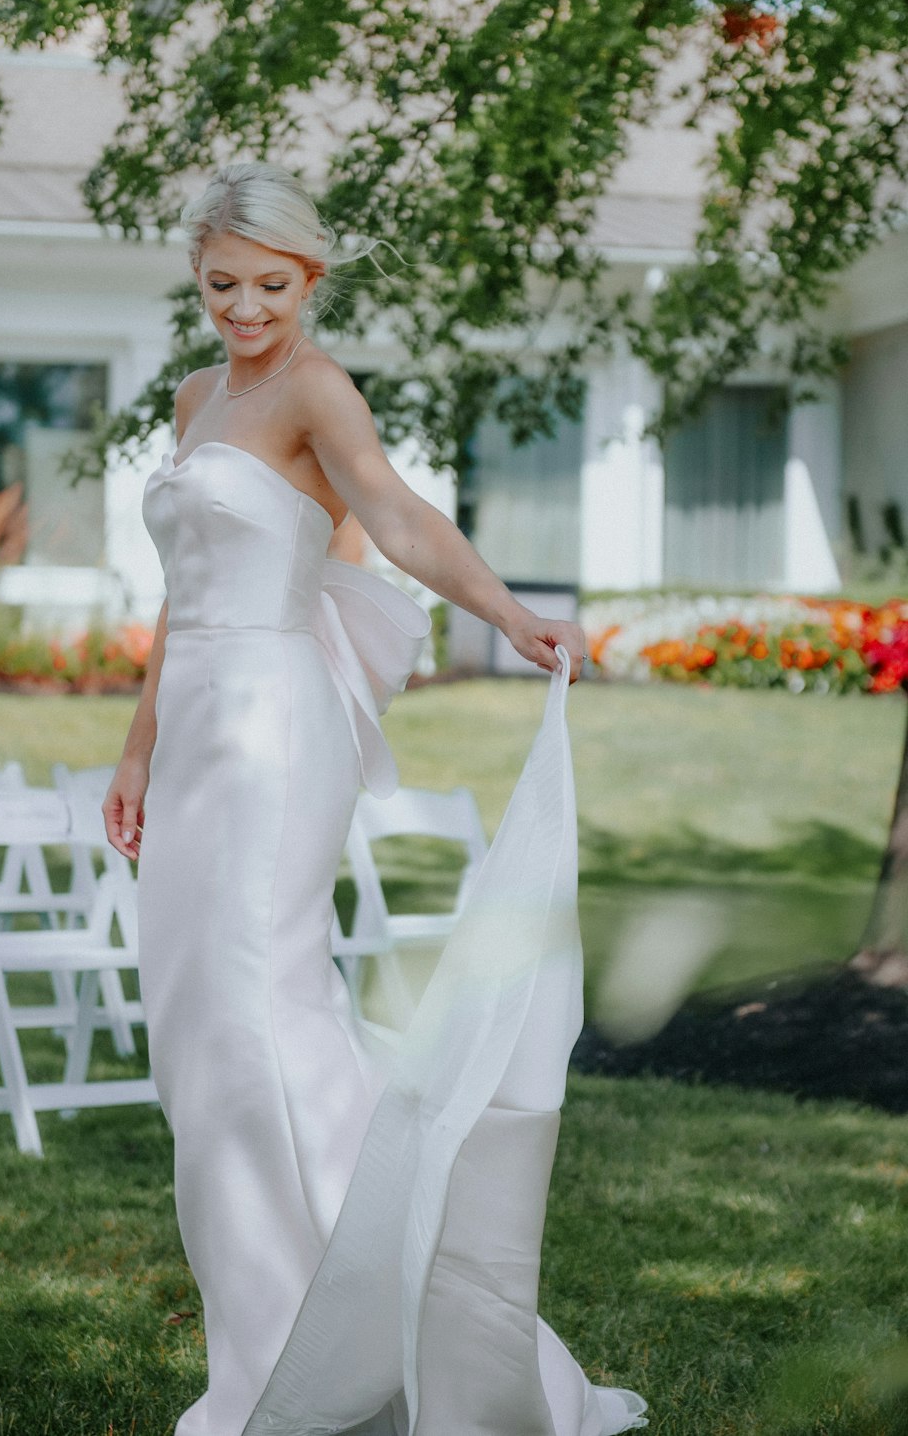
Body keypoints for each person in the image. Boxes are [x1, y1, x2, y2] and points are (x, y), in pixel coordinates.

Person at [103, 161, 647, 1436]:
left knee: (258, 1020)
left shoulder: (314, 389)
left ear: (313, 276)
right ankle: (281, 1338)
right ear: (199, 274)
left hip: (280, 736)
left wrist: (508, 613)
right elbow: (184, 599)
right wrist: (135, 750)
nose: (245, 308)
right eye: (222, 284)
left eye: (271, 286)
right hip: (193, 740)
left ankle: (382, 1330)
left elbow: (395, 518)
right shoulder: (198, 396)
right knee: (198, 1043)